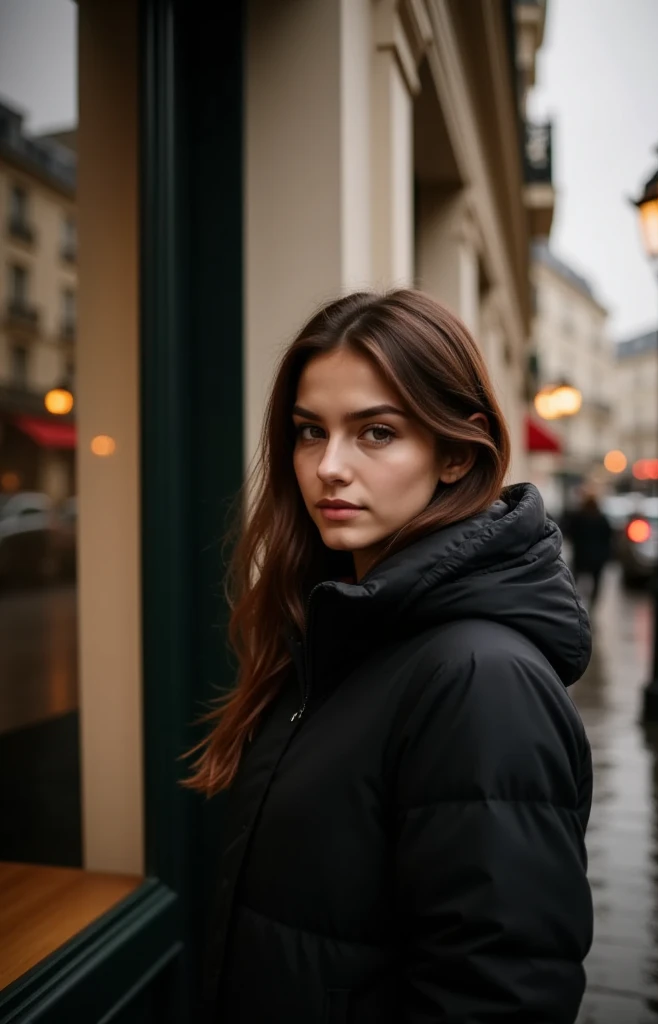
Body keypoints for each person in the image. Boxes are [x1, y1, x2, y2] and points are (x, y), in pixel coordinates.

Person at [188, 290, 594, 1023]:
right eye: (310, 432)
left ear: (453, 453)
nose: (328, 467)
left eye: (375, 433)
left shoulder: (479, 678)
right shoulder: (334, 631)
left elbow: (499, 997)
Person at [566, 493, 613, 607]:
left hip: (581, 554)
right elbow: (608, 536)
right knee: (596, 582)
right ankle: (592, 603)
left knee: (574, 580)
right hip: (597, 556)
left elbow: (570, 532)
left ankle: (573, 602)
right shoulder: (601, 519)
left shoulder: (578, 517)